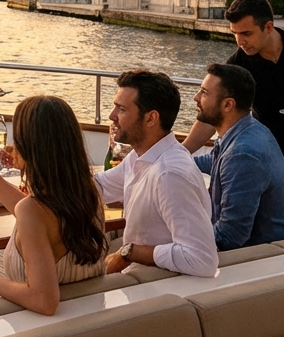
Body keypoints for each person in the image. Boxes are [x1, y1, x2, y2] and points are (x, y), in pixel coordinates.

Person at [181, 0, 284, 233]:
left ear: (268, 26)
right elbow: (212, 114)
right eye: (235, 34)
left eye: (246, 33)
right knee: (273, 226)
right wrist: (181, 151)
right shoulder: (238, 66)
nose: (240, 41)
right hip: (273, 154)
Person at [0, 96, 107, 315]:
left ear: (31, 146)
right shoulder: (89, 194)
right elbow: (31, 213)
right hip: (86, 319)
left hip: (31, 330)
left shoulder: (33, 212)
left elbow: (44, 301)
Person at [93, 70, 217, 278]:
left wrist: (129, 252)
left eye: (121, 109)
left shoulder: (169, 175)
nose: (111, 116)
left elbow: (202, 259)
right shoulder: (141, 157)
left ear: (151, 118)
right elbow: (98, 188)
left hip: (153, 287)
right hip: (138, 278)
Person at [191, 63, 284, 250]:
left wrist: (178, 237)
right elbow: (215, 160)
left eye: (204, 92)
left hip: (263, 260)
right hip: (260, 251)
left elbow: (230, 236)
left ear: (227, 105)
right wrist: (170, 161)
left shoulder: (243, 153)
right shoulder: (247, 129)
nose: (196, 97)